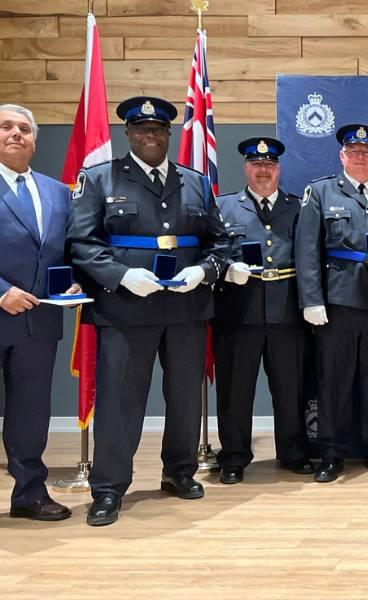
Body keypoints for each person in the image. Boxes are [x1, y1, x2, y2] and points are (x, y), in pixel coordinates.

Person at [68, 97, 229, 525]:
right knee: (121, 401)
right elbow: (82, 244)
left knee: (182, 400)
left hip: (185, 307)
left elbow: (220, 242)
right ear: (128, 134)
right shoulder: (99, 179)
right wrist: (120, 276)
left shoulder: (194, 183)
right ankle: (109, 488)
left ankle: (178, 473)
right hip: (124, 309)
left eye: (158, 130)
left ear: (169, 136)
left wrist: (204, 271)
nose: (150, 137)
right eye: (142, 130)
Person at [295, 123, 368, 483]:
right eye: (354, 152)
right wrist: (311, 300)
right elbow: (306, 250)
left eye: (367, 152)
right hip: (338, 302)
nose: (360, 157)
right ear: (342, 156)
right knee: (334, 382)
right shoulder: (322, 192)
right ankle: (331, 452)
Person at [213, 137, 313, 484]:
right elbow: (212, 251)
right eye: (257, 165)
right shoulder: (224, 207)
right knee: (235, 390)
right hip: (238, 313)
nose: (263, 171)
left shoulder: (299, 207)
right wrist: (227, 269)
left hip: (287, 312)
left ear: (278, 169)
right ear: (246, 168)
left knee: (290, 388)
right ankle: (234, 456)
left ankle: (293, 451)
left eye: (269, 165)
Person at [0, 104, 75, 521]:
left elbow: (68, 249)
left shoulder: (57, 191)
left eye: (24, 128)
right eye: (6, 127)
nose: (16, 134)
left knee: (30, 415)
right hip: (1, 308)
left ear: (34, 139)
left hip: (38, 323)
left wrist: (75, 279)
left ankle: (29, 493)